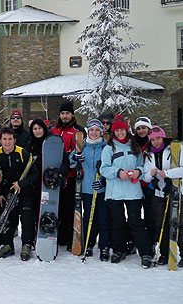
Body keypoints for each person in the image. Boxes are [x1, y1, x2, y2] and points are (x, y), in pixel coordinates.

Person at [100, 117, 153, 268]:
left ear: (126, 130)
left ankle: (146, 253)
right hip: (115, 191)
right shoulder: (109, 148)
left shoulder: (134, 146)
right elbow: (103, 169)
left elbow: (142, 166)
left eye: (122, 130)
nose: (120, 133)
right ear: (113, 132)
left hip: (133, 191)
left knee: (136, 221)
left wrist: (138, 171)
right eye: (117, 130)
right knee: (118, 222)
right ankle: (119, 249)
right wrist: (117, 172)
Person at [0, 127, 38, 261]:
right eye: (5, 139)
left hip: (24, 190)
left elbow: (34, 173)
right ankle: (7, 244)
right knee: (7, 217)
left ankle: (27, 244)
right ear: (0, 140)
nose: (7, 142)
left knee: (26, 217)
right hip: (6, 191)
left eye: (10, 139)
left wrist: (21, 184)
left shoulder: (22, 153)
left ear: (14, 140)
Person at [70, 119, 110, 261]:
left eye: (97, 130)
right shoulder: (82, 145)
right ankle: (89, 243)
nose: (94, 133)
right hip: (87, 188)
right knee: (89, 218)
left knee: (104, 218)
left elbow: (110, 166)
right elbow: (71, 162)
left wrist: (103, 181)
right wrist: (75, 158)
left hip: (103, 189)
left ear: (101, 132)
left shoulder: (106, 147)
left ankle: (104, 246)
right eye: (91, 130)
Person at [143, 126, 183, 266]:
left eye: (158, 138)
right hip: (158, 194)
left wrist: (168, 174)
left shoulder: (174, 149)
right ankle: (165, 254)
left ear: (163, 137)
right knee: (161, 224)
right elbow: (145, 177)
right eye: (153, 139)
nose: (156, 142)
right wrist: (151, 174)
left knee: (178, 223)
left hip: (175, 191)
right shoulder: (147, 153)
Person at [50, 101, 85, 250]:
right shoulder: (53, 130)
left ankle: (71, 237)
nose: (65, 116)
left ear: (72, 114)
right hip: (54, 175)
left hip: (71, 176)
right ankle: (58, 236)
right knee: (56, 206)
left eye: (67, 113)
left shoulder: (78, 130)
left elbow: (82, 149)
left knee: (70, 207)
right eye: (62, 113)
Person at [25, 118, 51, 229]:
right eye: (35, 129)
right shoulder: (29, 145)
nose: (37, 131)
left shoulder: (50, 142)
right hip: (34, 182)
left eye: (40, 128)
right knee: (35, 209)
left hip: (48, 181)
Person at [133, 116, 155, 244]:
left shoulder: (153, 141)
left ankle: (151, 241)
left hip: (148, 184)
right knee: (134, 215)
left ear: (149, 128)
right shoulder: (132, 143)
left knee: (149, 214)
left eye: (144, 128)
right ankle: (134, 241)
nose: (141, 131)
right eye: (139, 128)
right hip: (135, 183)